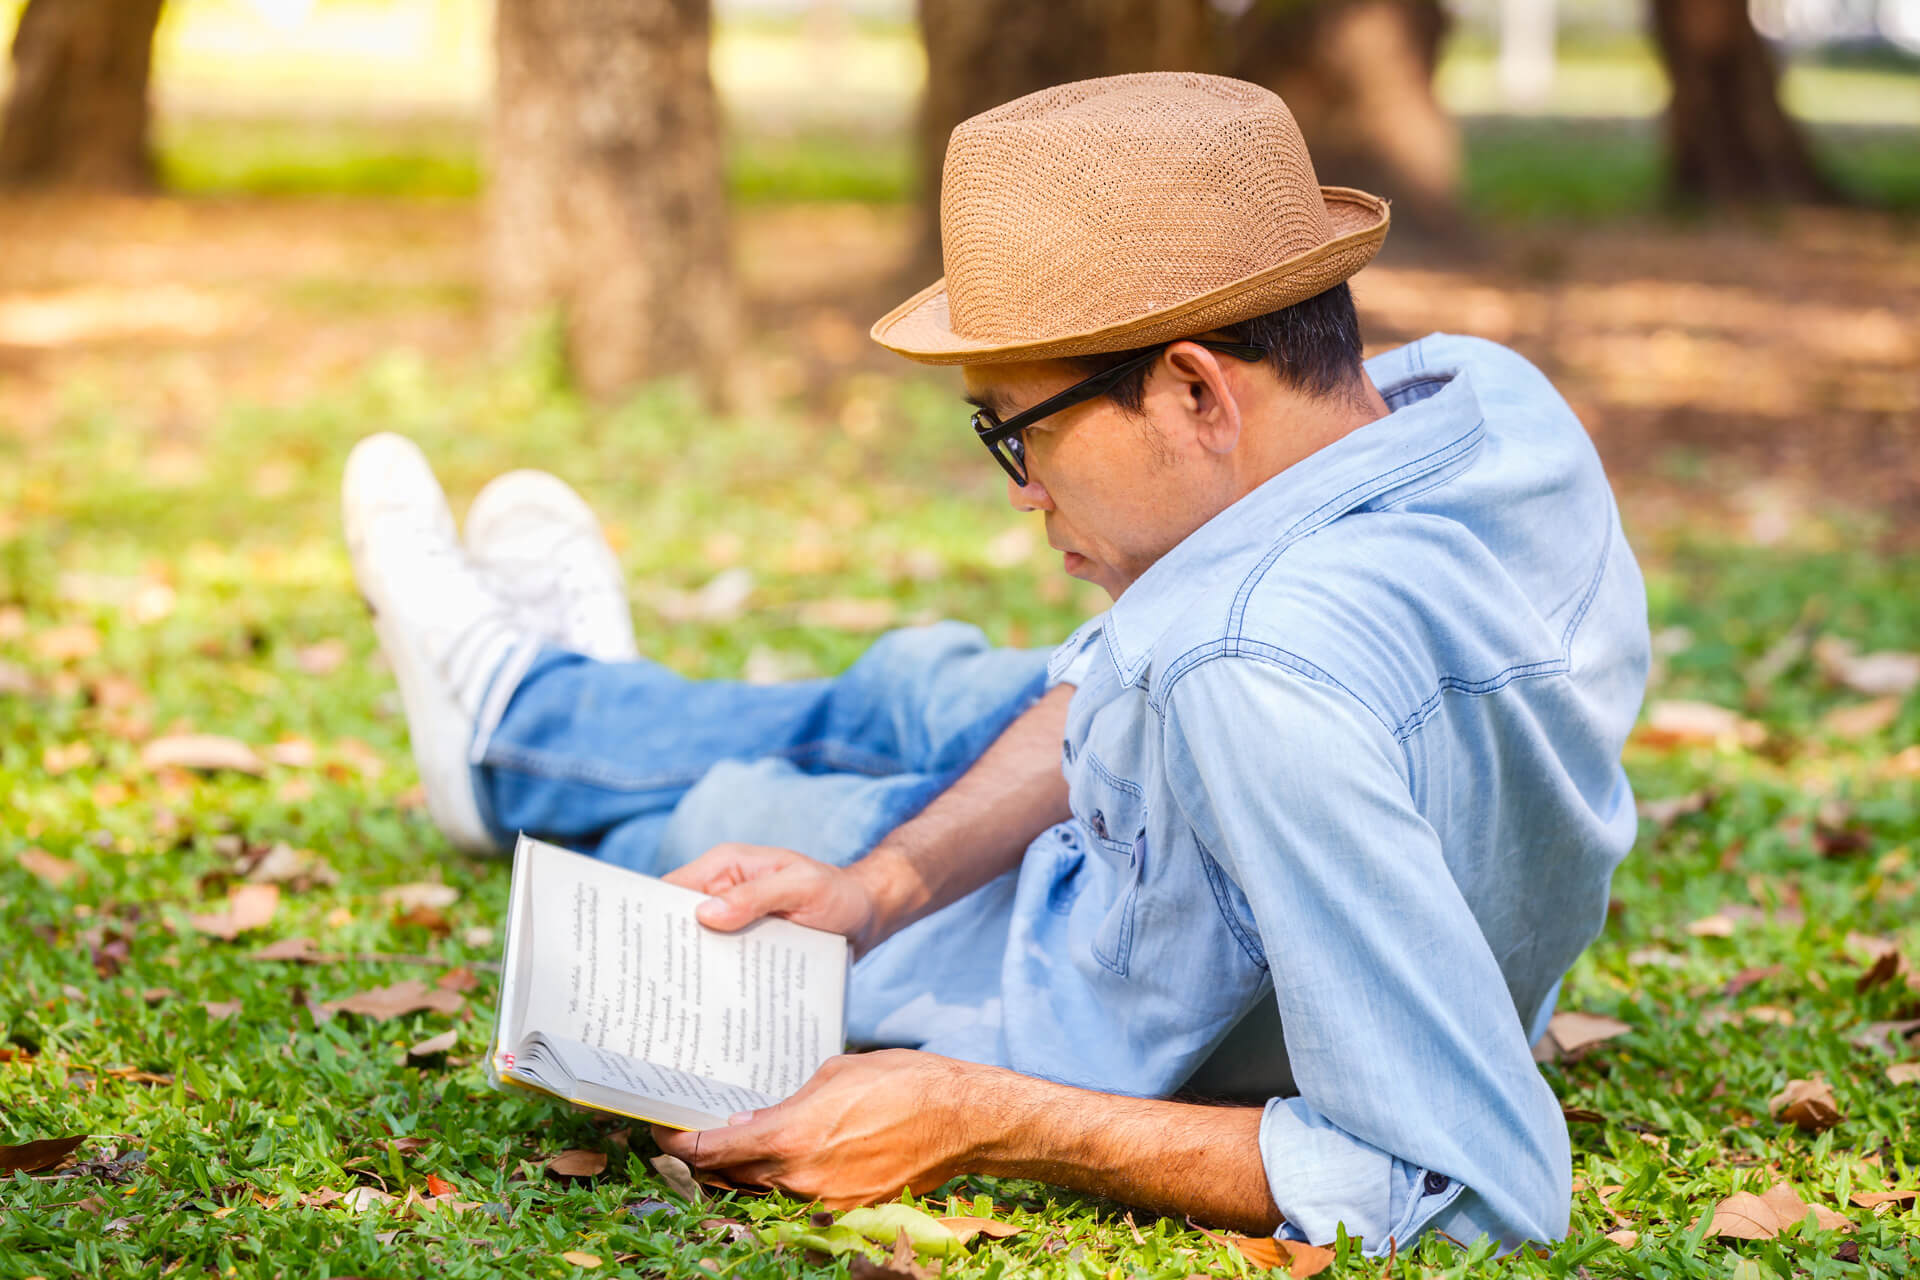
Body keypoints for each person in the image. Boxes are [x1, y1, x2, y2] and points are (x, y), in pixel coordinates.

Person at [343, 72, 1649, 1255]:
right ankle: (555, 697)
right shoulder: (1485, 403)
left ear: (1197, 393)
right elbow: (1162, 661)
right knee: (920, 680)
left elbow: (1473, 1183)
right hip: (1180, 784)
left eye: (1012, 428)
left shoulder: (1248, 676)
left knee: (722, 833)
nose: (1020, 495)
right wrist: (879, 885)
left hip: (1124, 949)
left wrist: (967, 1116)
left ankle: (504, 729)